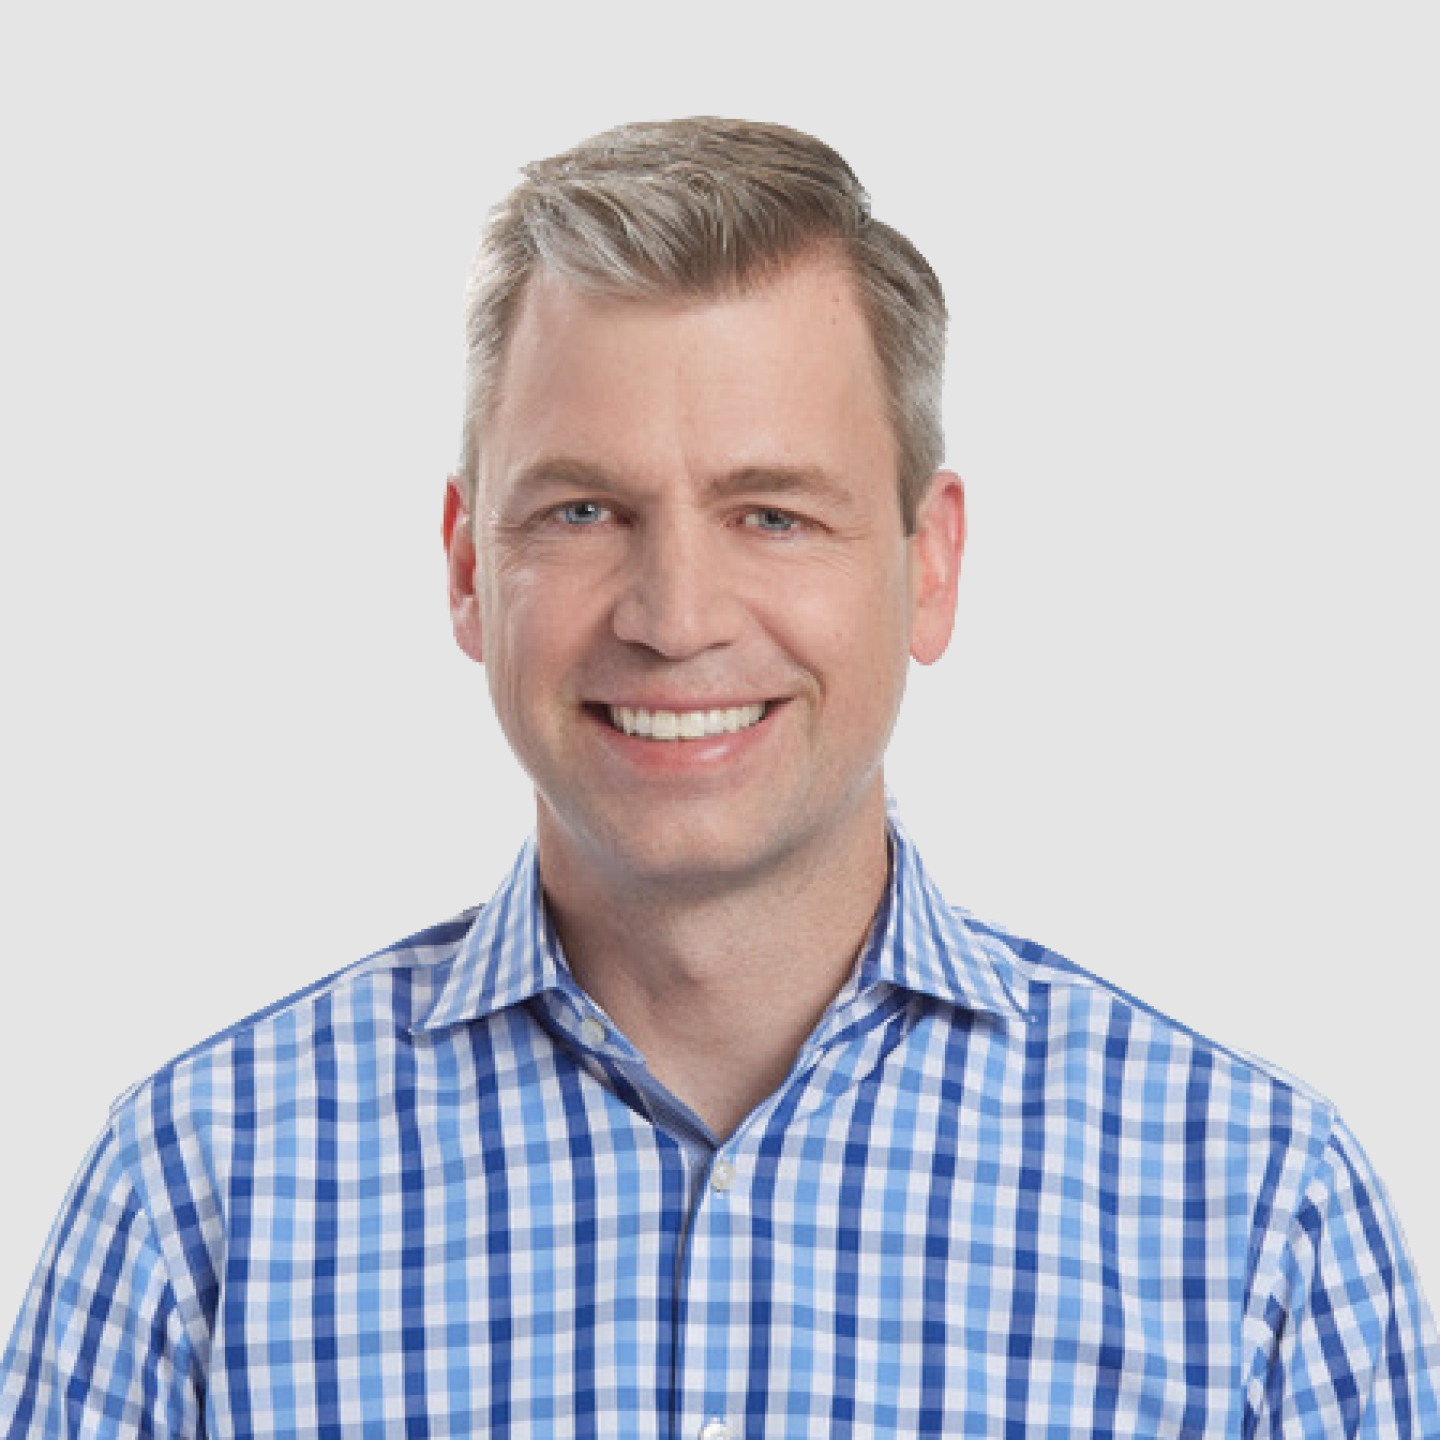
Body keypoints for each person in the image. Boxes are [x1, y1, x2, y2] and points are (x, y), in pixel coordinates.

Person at [3, 117, 1436, 1439]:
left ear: (930, 565)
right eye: (583, 510)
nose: (676, 617)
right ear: (467, 568)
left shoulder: (1258, 1221)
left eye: (773, 514)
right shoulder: (195, 1202)